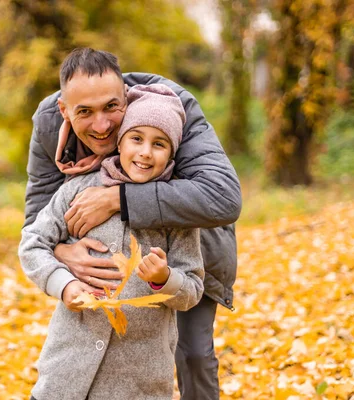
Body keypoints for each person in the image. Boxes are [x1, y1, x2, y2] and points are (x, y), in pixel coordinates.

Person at [24, 48, 241, 399]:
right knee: (98, 351)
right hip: (107, 261)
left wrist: (118, 199)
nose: (101, 124)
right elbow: (37, 218)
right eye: (85, 112)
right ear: (65, 110)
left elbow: (223, 197)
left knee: (194, 355)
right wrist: (64, 251)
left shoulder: (170, 107)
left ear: (127, 95)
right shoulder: (50, 122)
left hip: (190, 237)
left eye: (111, 107)